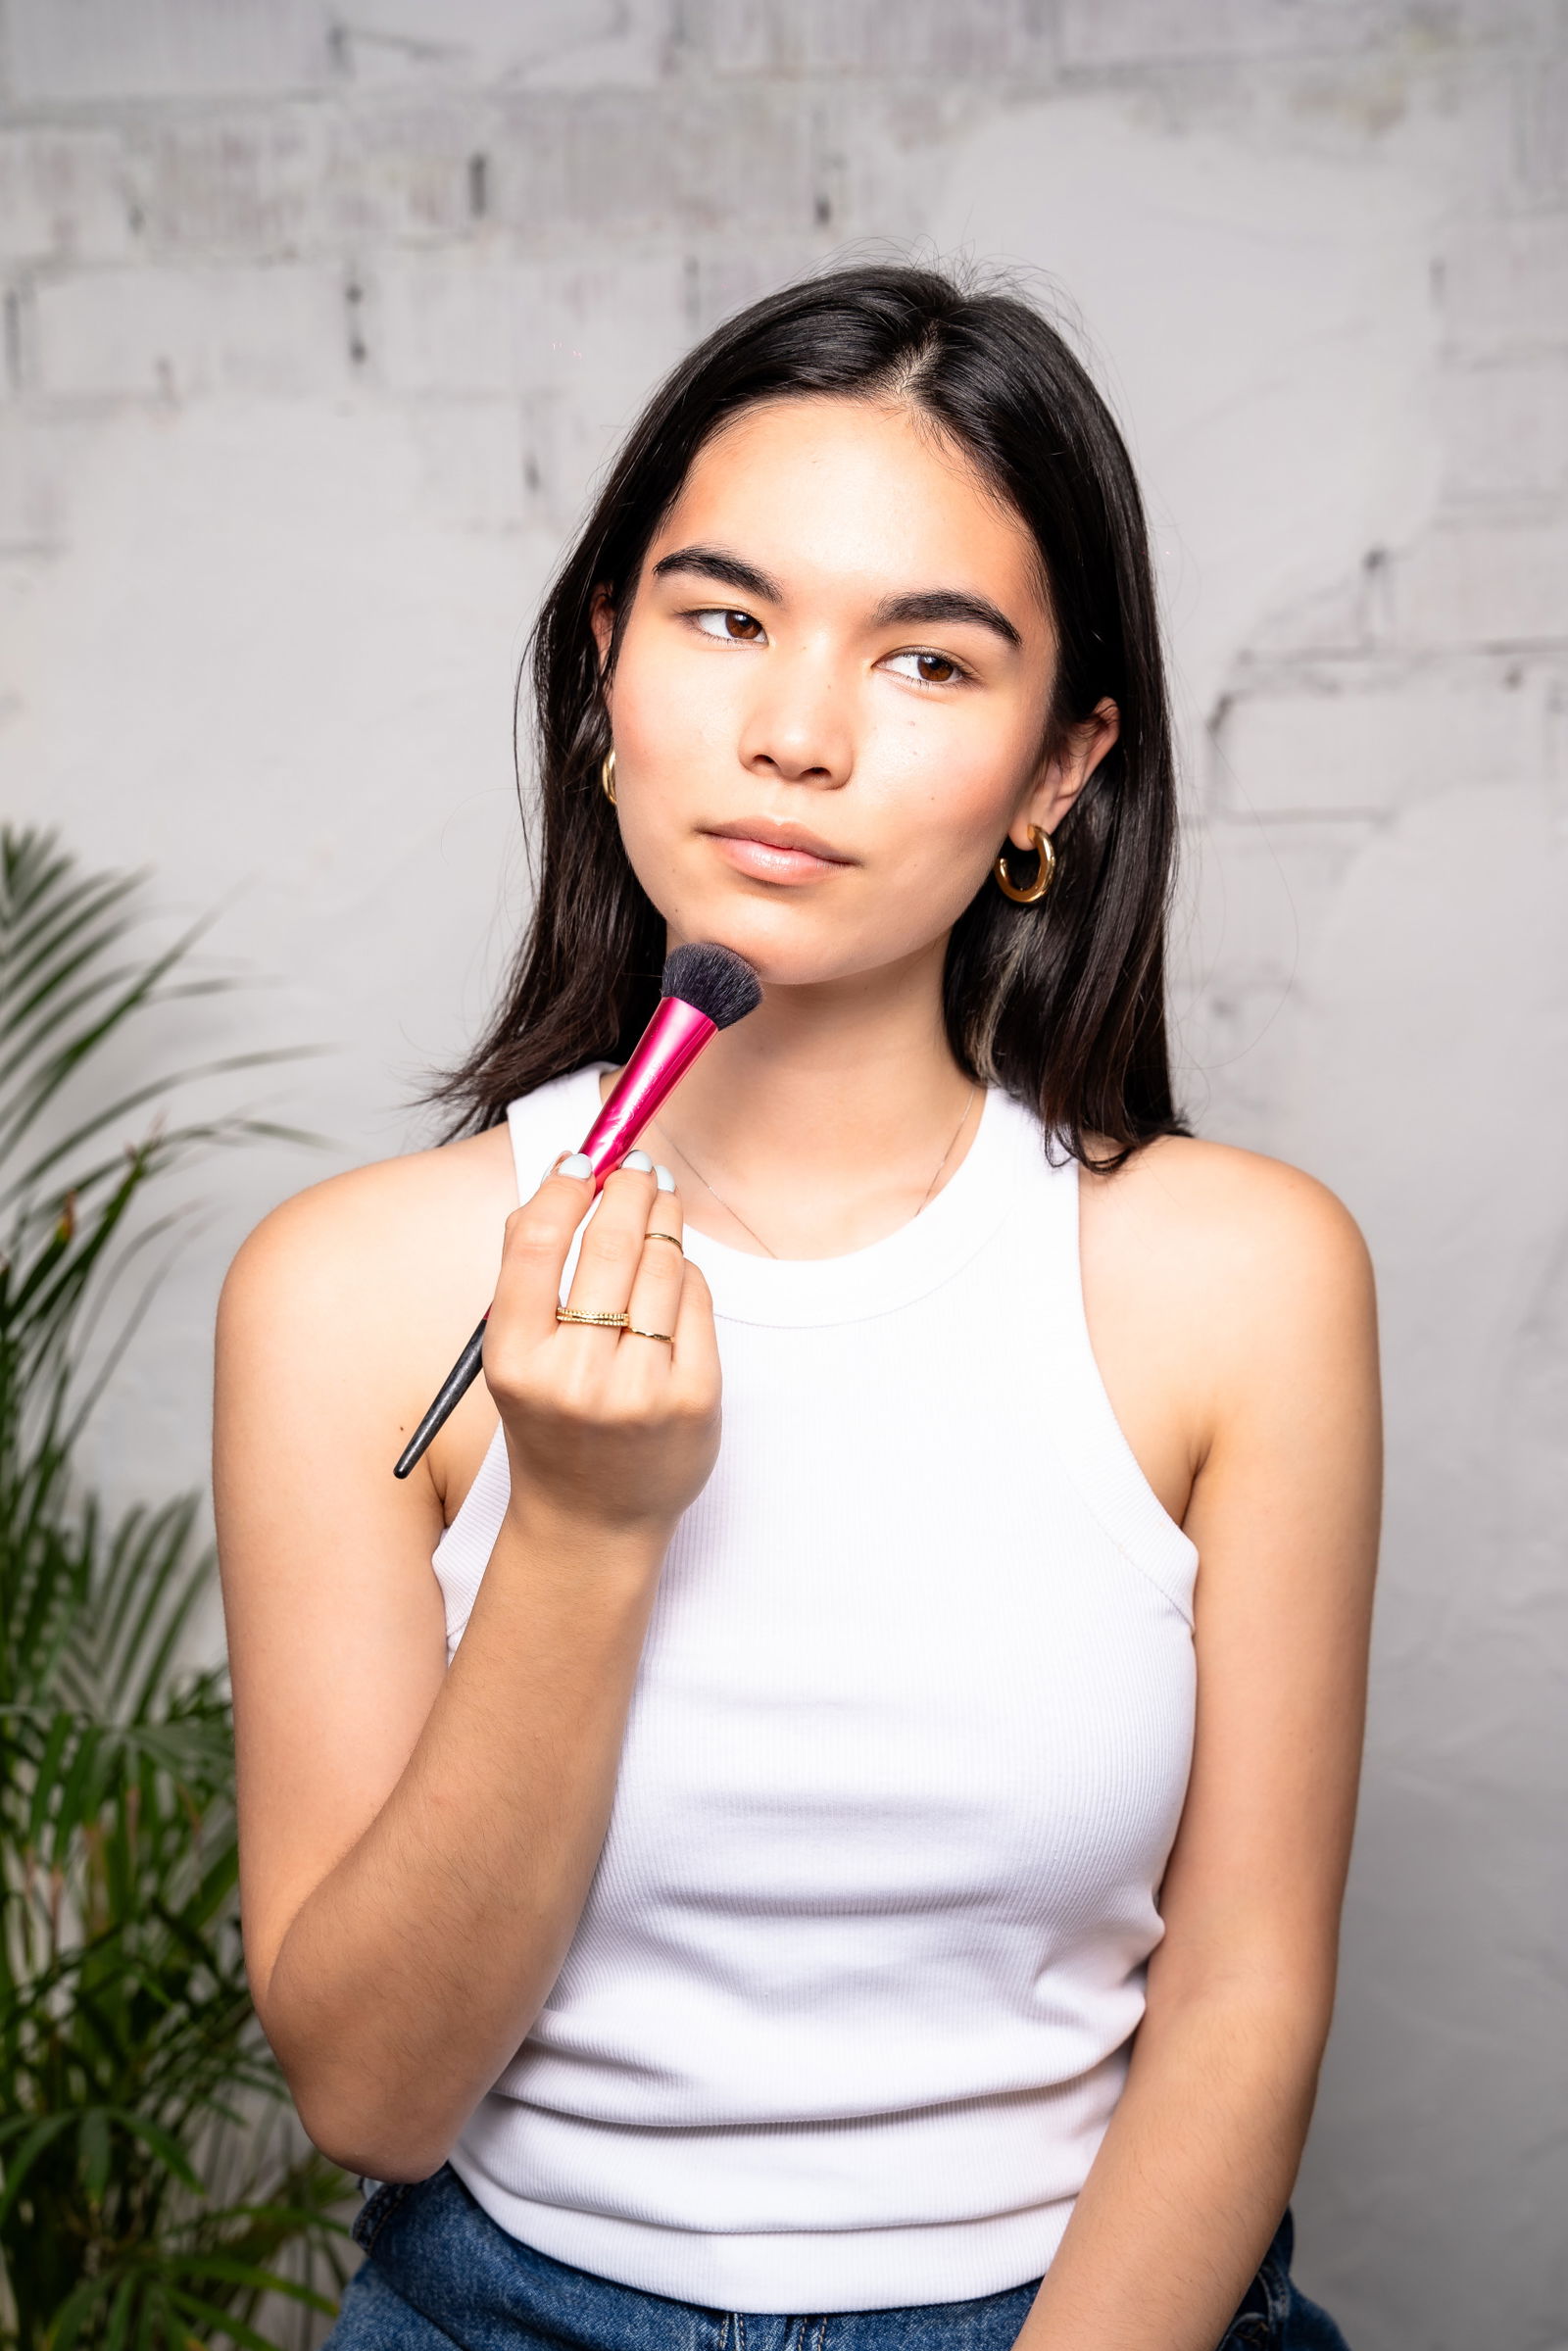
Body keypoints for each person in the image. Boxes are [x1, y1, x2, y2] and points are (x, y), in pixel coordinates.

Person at [213, 264, 1379, 2351]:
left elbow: (1242, 2000)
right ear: (605, 665)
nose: (794, 733)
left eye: (928, 662)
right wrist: (576, 1526)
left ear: (1057, 766)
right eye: (723, 617)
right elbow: (371, 2093)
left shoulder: (1235, 1283)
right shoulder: (343, 1295)